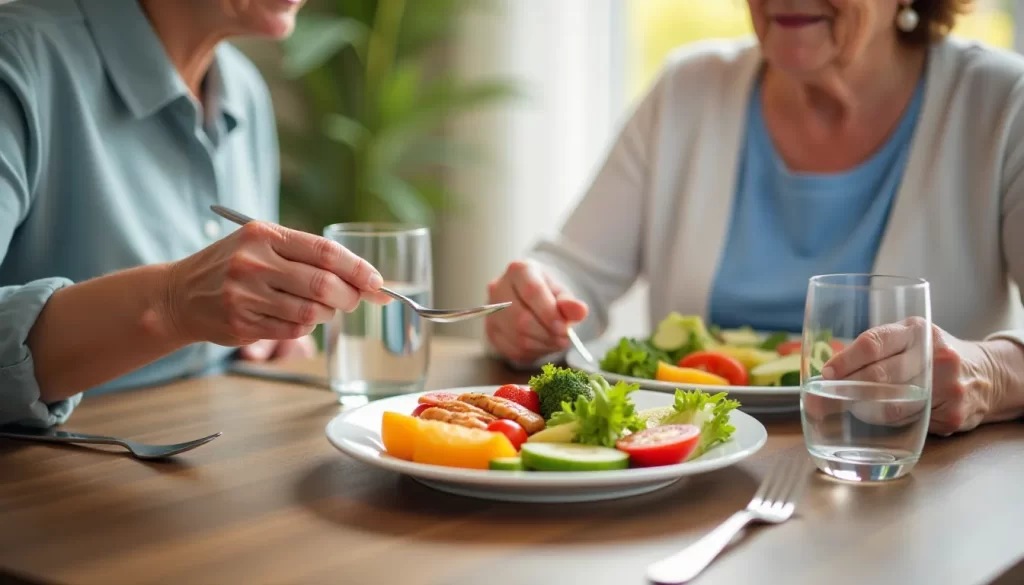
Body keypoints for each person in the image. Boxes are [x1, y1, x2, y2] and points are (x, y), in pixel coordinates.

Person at [485, 0, 1024, 435]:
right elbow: (574, 274)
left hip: (911, 489)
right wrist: (534, 305)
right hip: (694, 467)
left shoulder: (1001, 101)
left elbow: (998, 372)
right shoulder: (686, 90)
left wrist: (993, 373)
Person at [0, 0, 390, 427]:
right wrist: (171, 303)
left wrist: (267, 335)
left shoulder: (243, 89)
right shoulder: (18, 59)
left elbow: (226, 323)